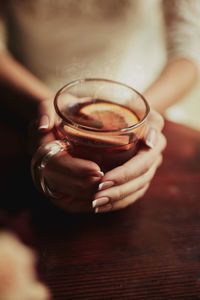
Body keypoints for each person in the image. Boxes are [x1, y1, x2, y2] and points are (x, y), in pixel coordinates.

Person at [0, 0, 199, 214]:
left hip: (147, 105)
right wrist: (45, 109)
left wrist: (143, 115)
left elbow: (190, 47)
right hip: (26, 107)